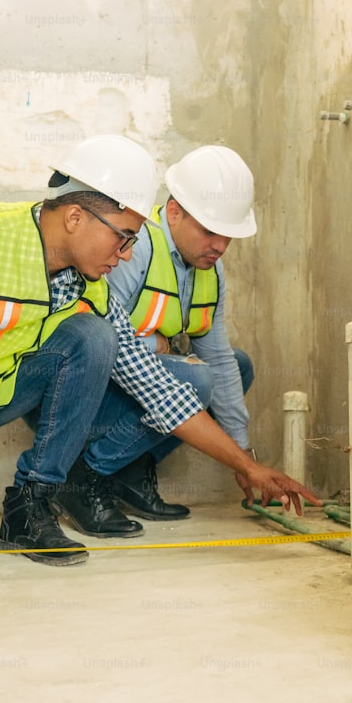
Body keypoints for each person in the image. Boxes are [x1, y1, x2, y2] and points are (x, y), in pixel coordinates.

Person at [0, 135, 319, 569]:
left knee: (96, 337)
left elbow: (154, 385)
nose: (127, 254)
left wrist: (247, 466)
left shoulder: (89, 282)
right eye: (123, 239)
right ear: (75, 218)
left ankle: (31, 504)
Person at [60, 146, 258, 530]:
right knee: (196, 378)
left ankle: (129, 472)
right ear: (174, 212)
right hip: (78, 396)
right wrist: (156, 346)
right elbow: (93, 334)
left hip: (136, 388)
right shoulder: (132, 249)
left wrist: (244, 457)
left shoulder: (210, 274)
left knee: (236, 365)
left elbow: (219, 360)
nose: (219, 246)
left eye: (228, 236)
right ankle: (82, 478)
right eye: (209, 231)